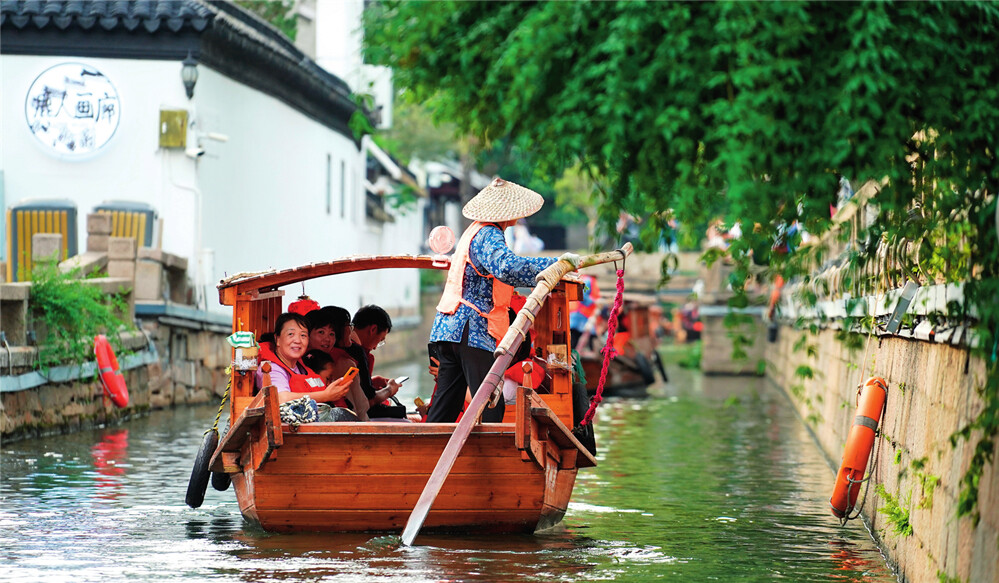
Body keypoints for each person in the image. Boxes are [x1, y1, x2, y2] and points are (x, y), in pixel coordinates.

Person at [426, 177, 580, 423]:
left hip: (447, 329)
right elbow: (507, 268)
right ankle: (485, 461)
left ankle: (427, 455)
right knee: (490, 405)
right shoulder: (489, 233)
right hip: (471, 332)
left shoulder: (473, 232)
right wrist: (557, 264)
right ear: (509, 213)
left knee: (445, 406)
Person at [255, 312, 352, 405]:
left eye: (303, 335)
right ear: (277, 339)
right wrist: (325, 395)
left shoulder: (302, 367)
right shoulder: (272, 368)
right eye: (290, 334)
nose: (297, 341)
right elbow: (280, 398)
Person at [347, 304, 405, 418]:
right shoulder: (357, 352)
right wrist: (389, 390)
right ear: (373, 329)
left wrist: (372, 382)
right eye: (380, 340)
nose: (374, 348)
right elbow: (369, 400)